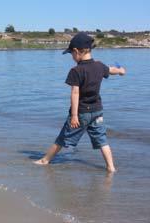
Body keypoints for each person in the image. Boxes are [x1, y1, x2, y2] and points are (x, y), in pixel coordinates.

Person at [34, 32, 126, 172]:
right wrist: (120, 71)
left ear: (77, 51)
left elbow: (75, 93)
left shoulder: (76, 71)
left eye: (71, 54)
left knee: (63, 138)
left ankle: (45, 160)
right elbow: (111, 70)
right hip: (97, 111)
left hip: (82, 112)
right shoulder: (100, 66)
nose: (72, 57)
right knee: (102, 140)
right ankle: (111, 167)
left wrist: (75, 115)